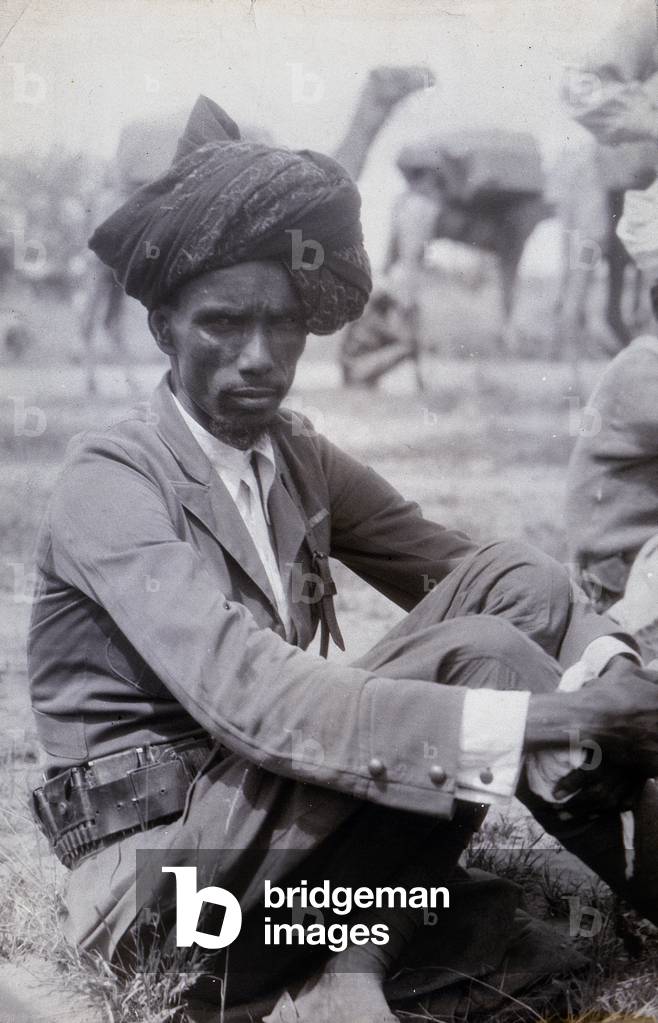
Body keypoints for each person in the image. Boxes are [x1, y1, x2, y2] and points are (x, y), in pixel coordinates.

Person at [28, 96, 658, 1023]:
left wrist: (611, 671)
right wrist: (538, 720)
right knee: (479, 664)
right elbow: (258, 702)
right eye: (221, 325)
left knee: (508, 590)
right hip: (165, 886)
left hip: (284, 839)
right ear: (163, 329)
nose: (258, 357)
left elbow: (493, 574)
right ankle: (347, 955)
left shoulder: (294, 454)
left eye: (282, 324)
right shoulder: (111, 479)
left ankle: (354, 954)